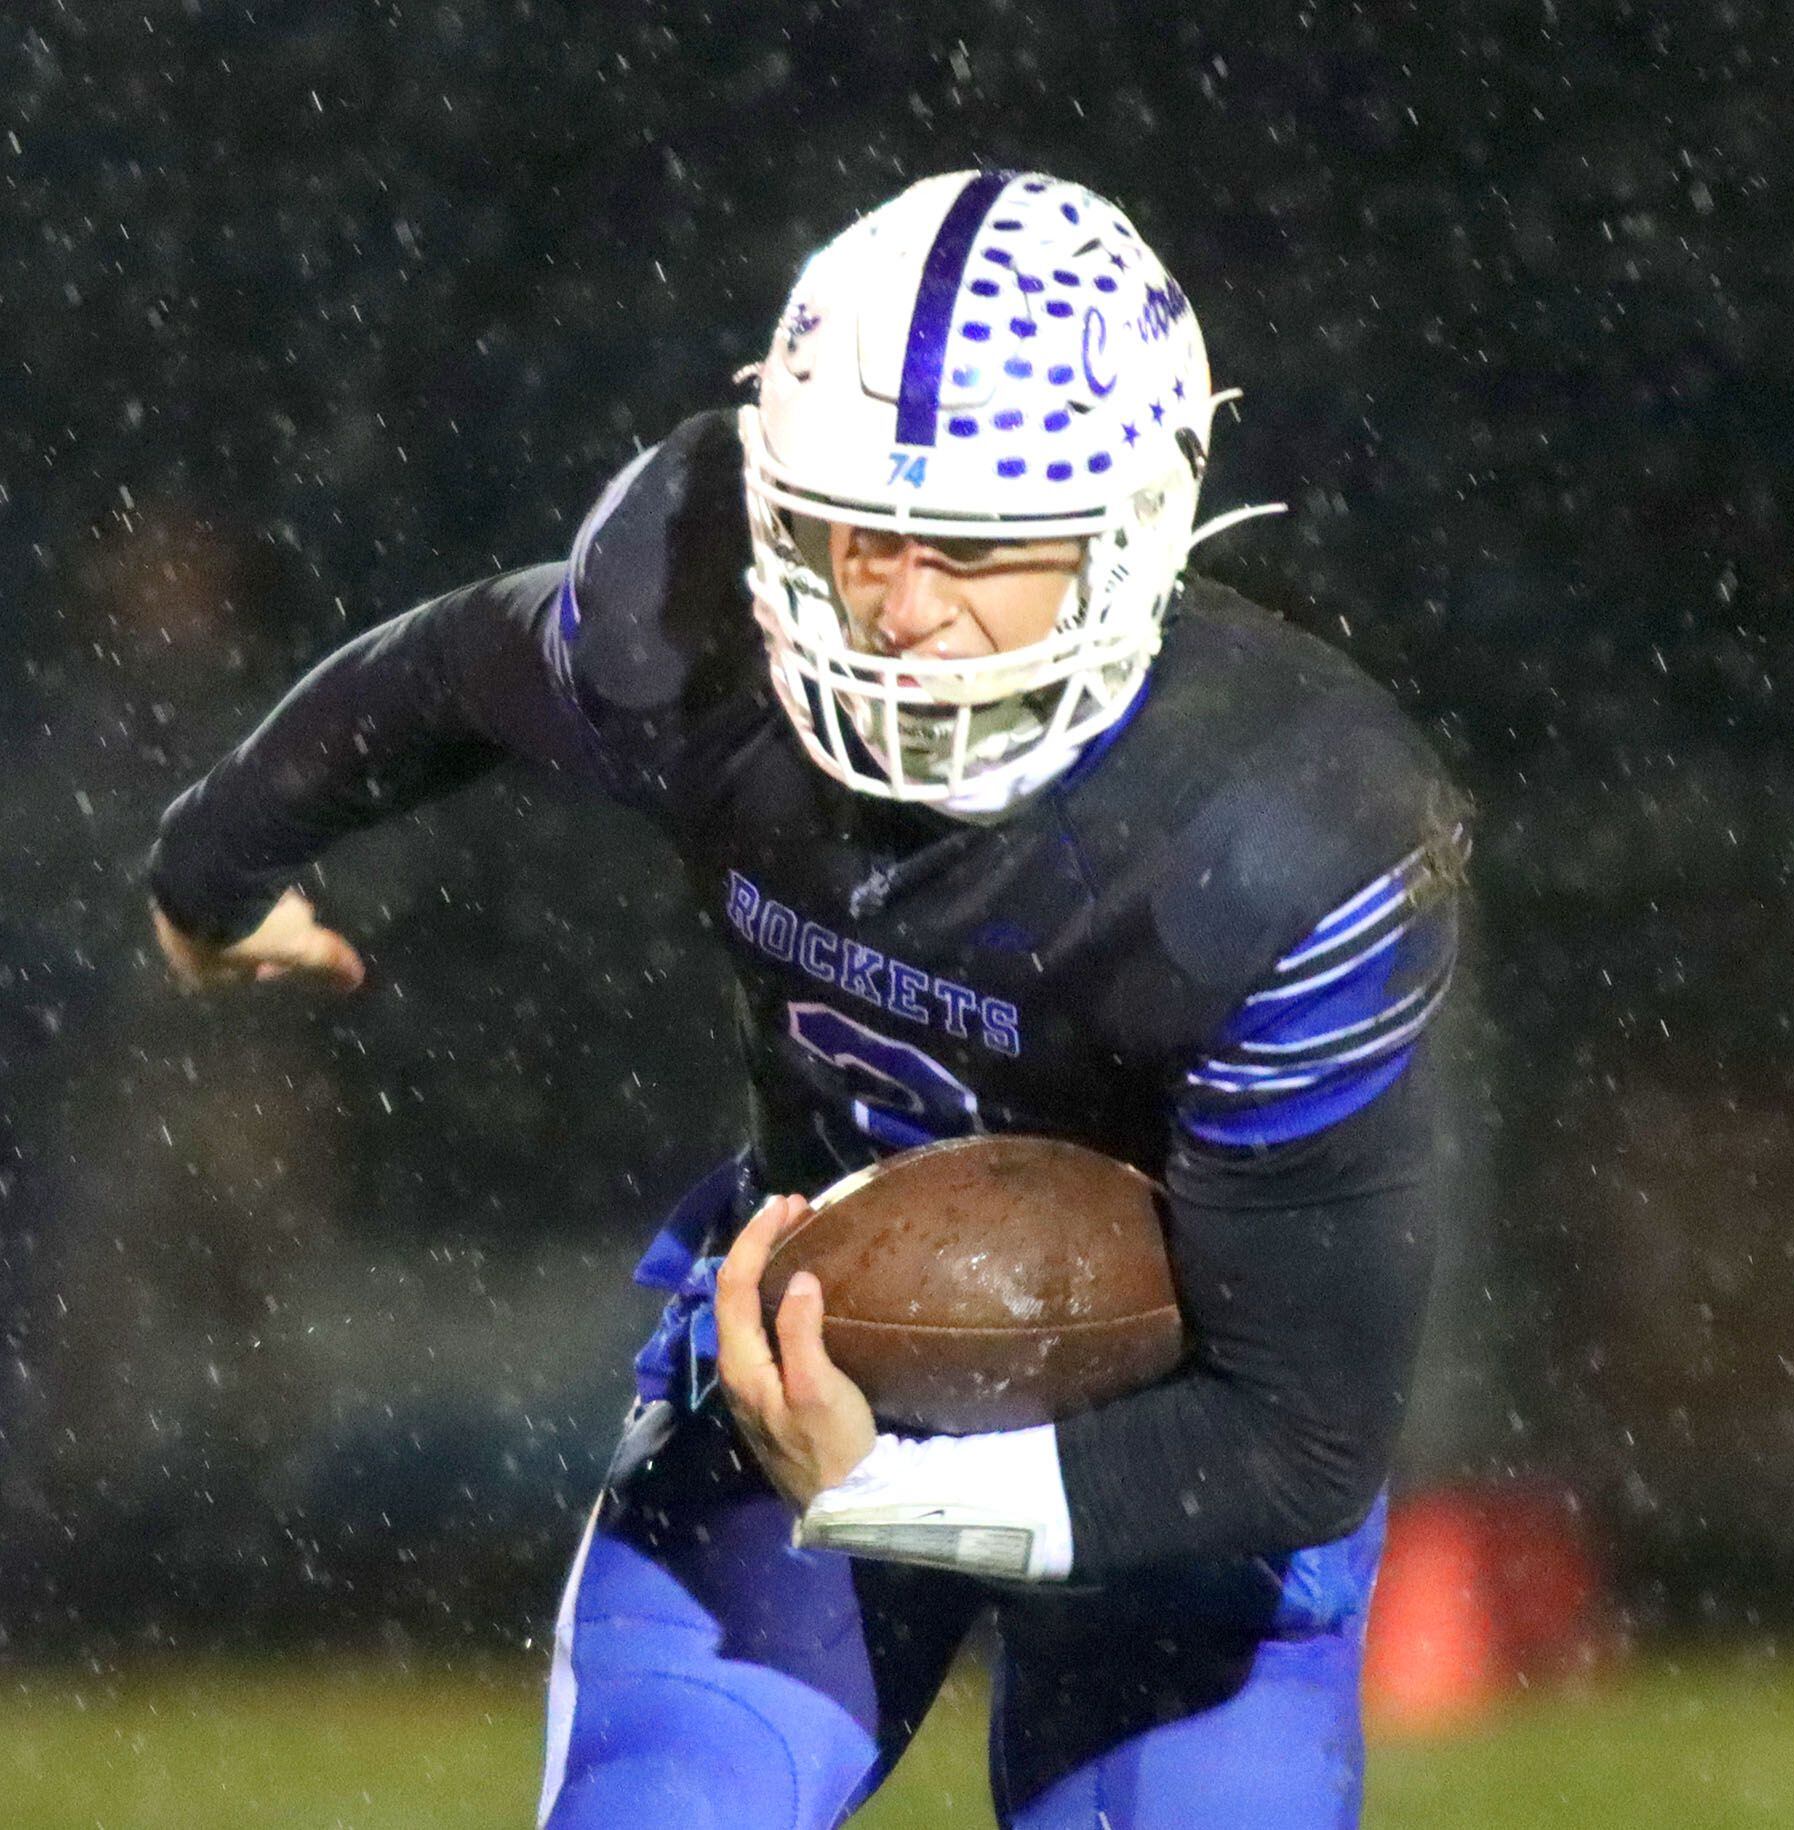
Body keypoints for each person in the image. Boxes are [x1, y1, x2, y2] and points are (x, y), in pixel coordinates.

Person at [150, 169, 1467, 1828]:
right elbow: (450, 673)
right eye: (862, 531)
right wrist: (212, 865)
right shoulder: (696, 617)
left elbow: (1295, 1440)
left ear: (1130, 524)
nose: (905, 608)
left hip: (1181, 1454)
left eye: (981, 543)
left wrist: (897, 1489)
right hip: (798, 1346)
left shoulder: (1286, 835)